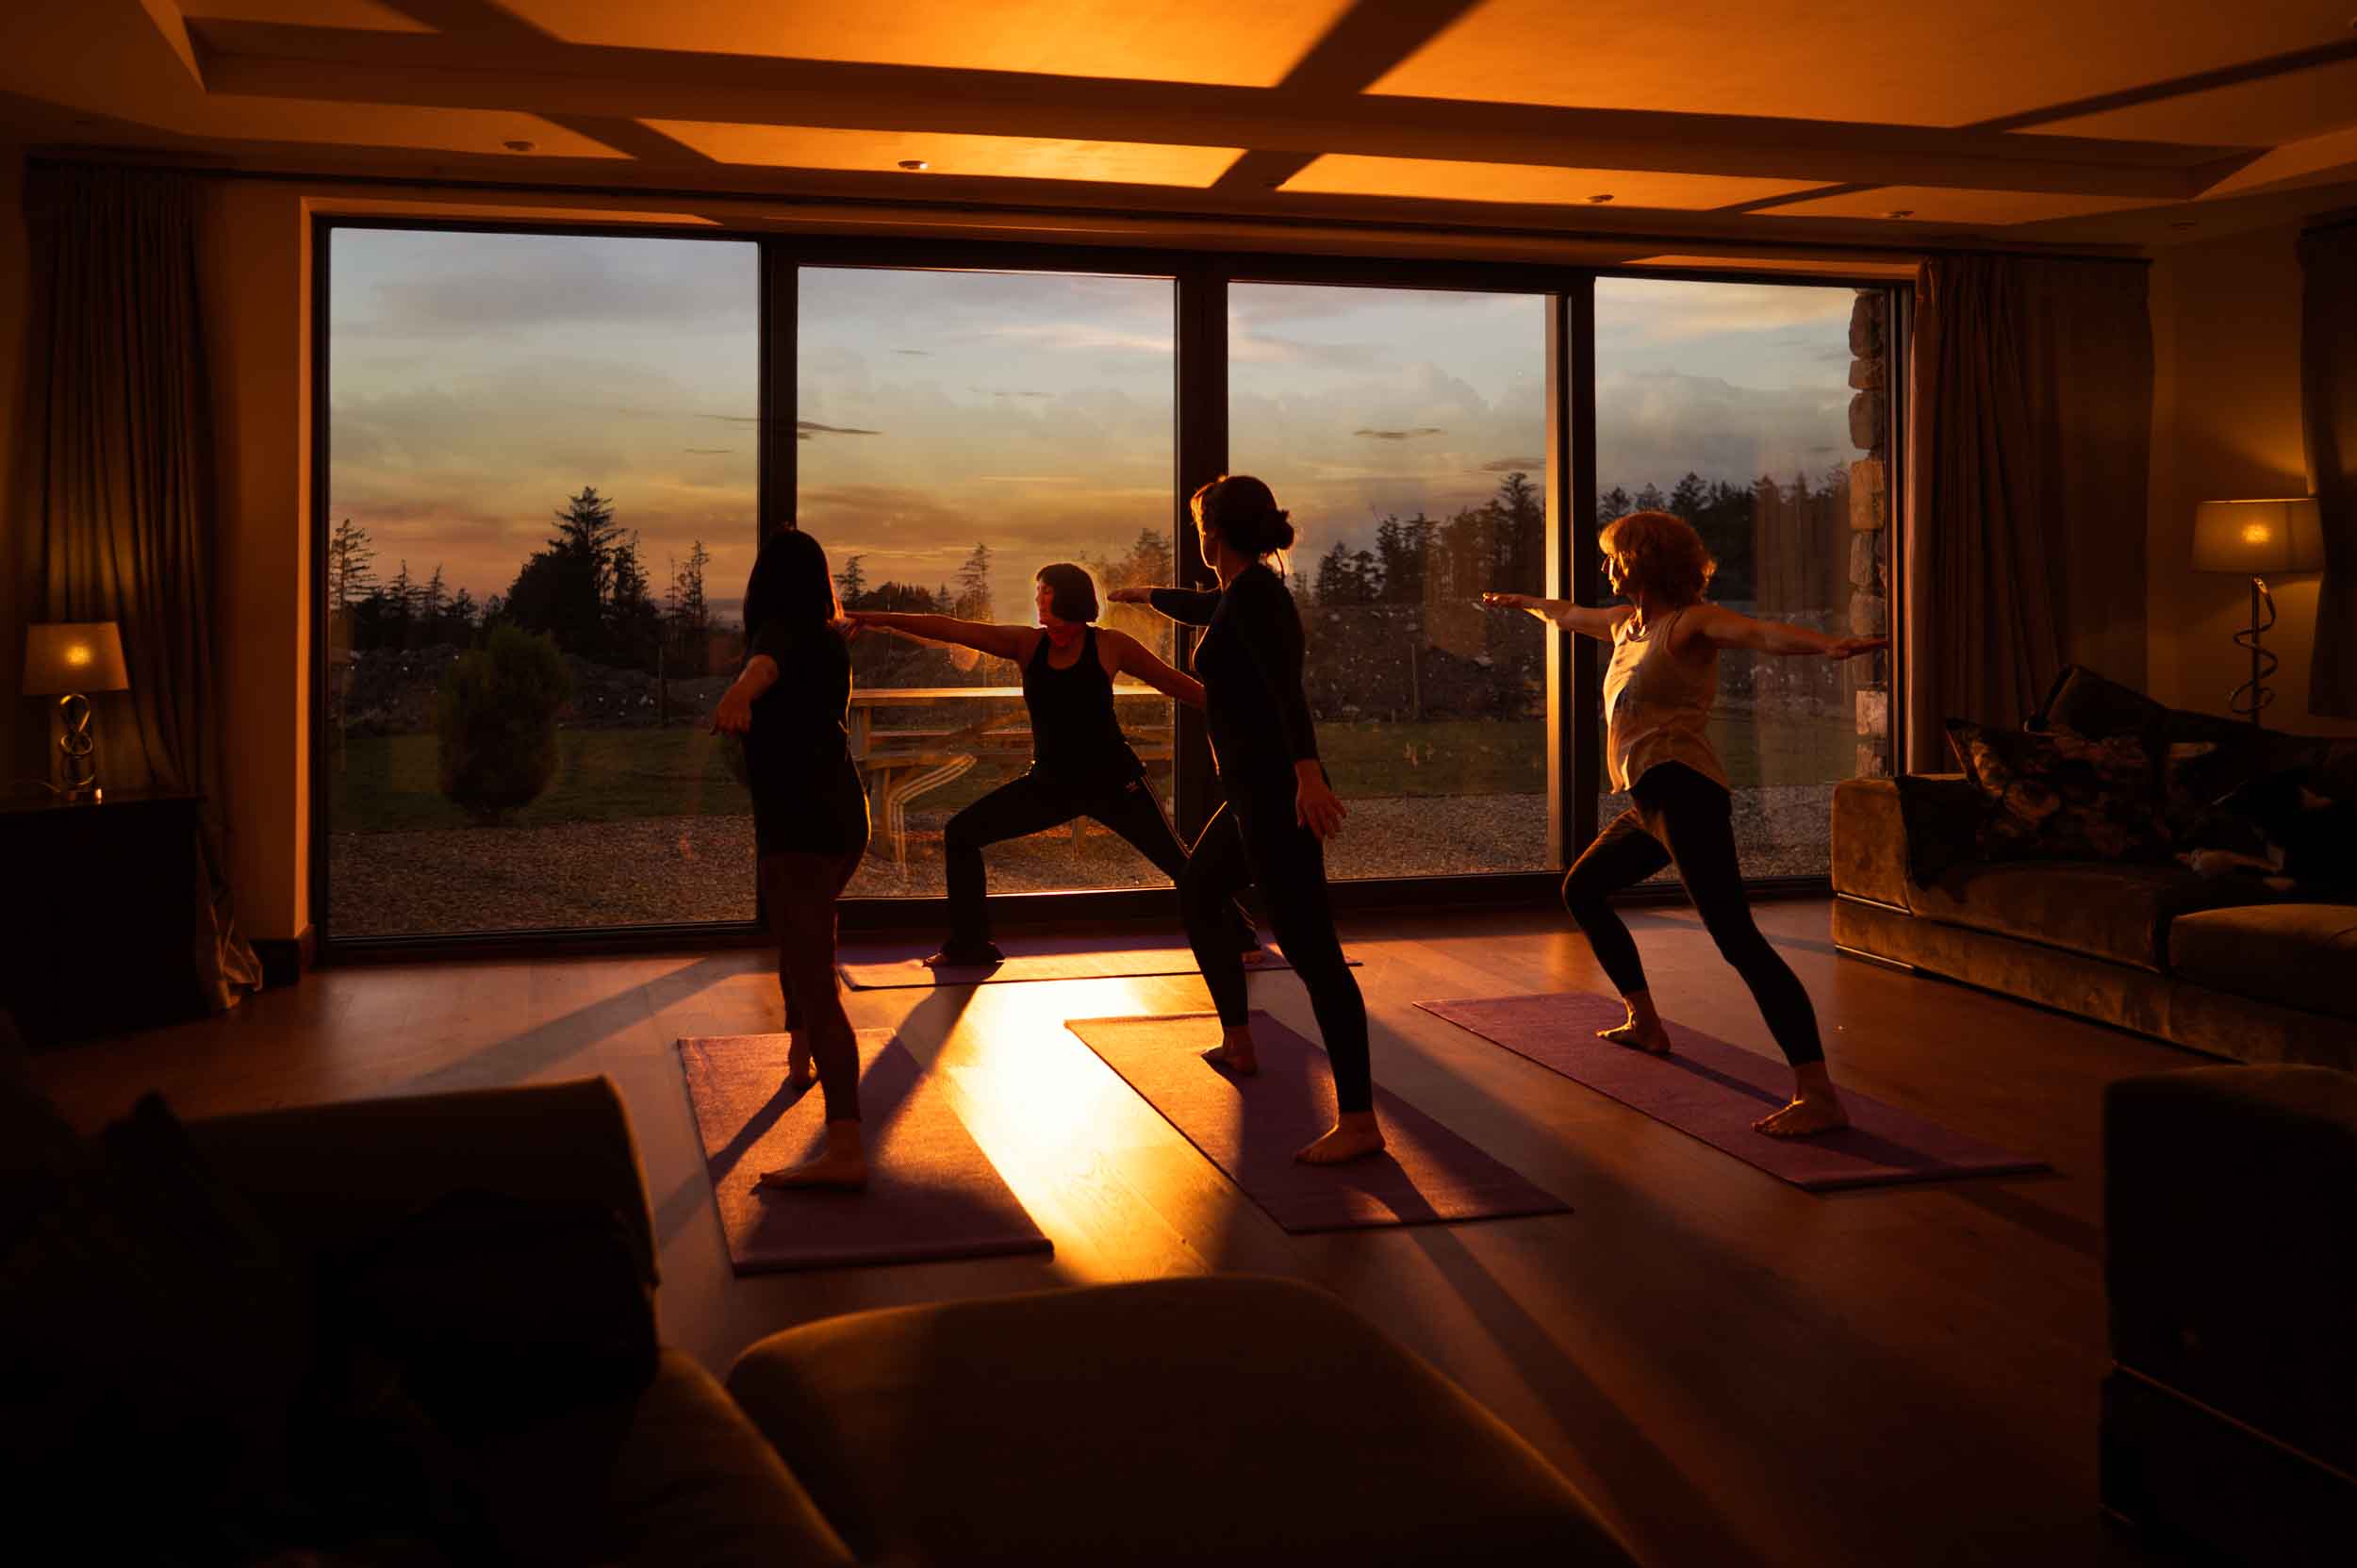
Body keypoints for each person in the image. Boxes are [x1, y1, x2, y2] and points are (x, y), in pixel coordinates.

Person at [1484, 509, 1886, 1137]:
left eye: (1615, 556)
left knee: (1737, 940)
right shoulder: (1626, 625)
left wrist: (1828, 647)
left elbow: (1761, 635)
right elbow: (1567, 614)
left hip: (1687, 794)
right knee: (1583, 890)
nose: (1608, 567)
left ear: (1644, 561)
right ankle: (1644, 1021)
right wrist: (1525, 603)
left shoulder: (1688, 624)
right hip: (1651, 801)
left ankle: (1817, 1092)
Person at [1113, 475, 1381, 1164]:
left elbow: (1287, 689)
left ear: (1214, 533)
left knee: (1313, 952)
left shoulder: (1258, 596)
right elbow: (1212, 609)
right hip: (1252, 796)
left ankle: (1358, 1119)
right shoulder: (1242, 594)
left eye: (1198, 523)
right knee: (1201, 887)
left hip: (1275, 797)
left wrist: (1308, 773)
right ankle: (1238, 1038)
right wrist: (1148, 597)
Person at [847, 563, 1263, 968]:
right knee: (961, 834)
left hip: (1116, 784)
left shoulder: (1109, 645)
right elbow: (951, 629)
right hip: (1050, 785)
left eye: (1047, 594)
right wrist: (876, 619)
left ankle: (1242, 935)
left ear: (1073, 603)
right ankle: (970, 945)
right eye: (1040, 596)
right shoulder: (1028, 645)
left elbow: (1173, 682)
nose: (1042, 606)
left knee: (1182, 866)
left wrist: (1242, 713)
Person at [712, 528, 872, 1189]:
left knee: (815, 975)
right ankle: (800, 1053)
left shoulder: (775, 634)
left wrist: (736, 695)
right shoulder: (831, 641)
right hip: (844, 814)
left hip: (800, 825)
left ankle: (845, 1148)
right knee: (805, 940)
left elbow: (763, 670)